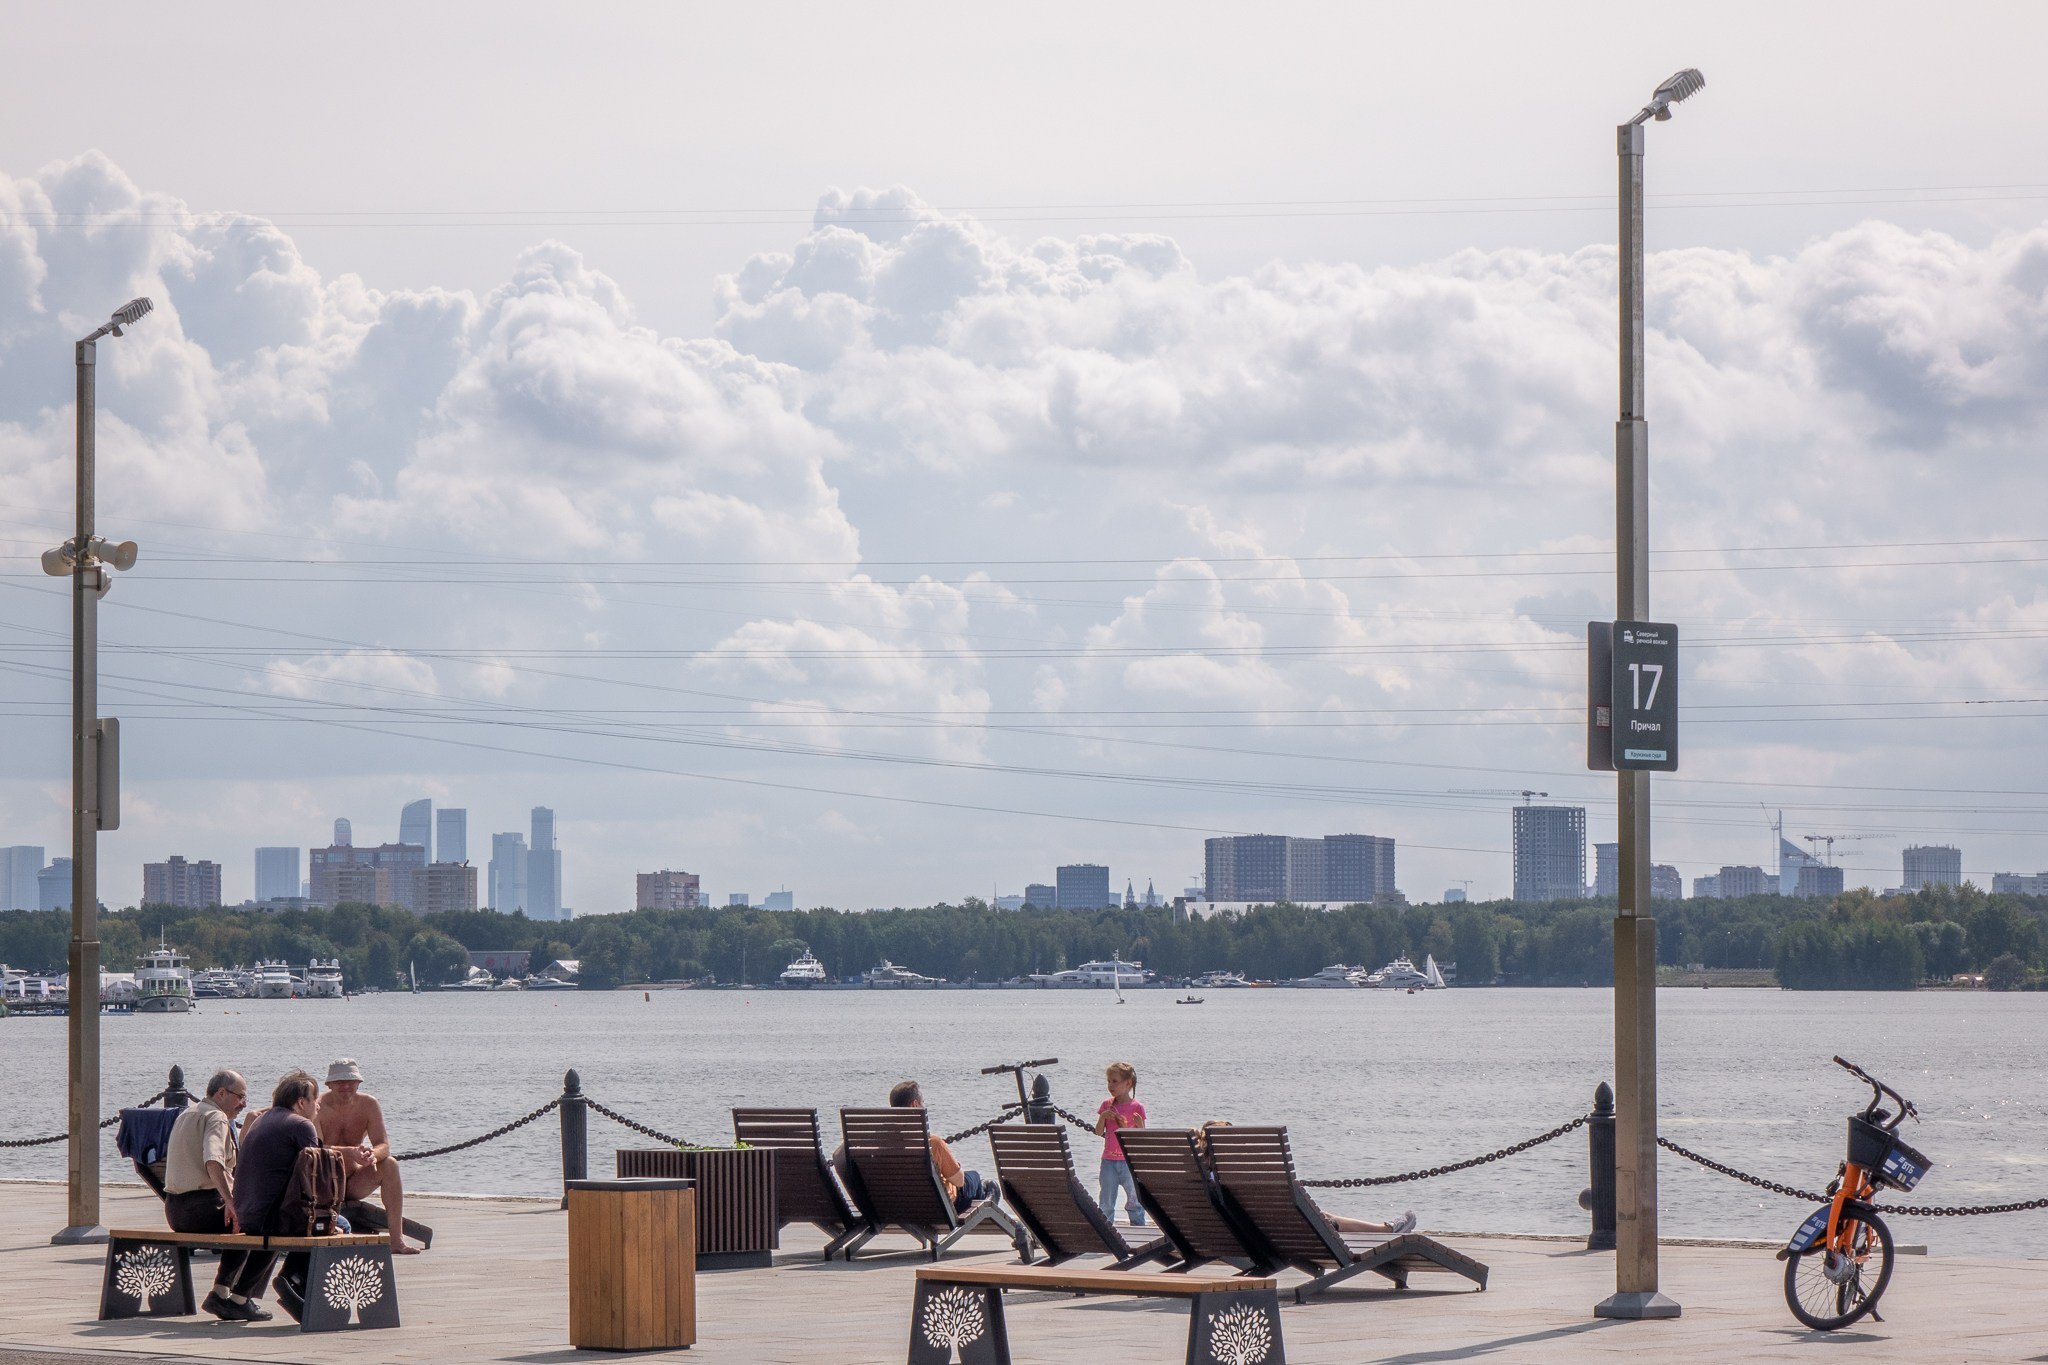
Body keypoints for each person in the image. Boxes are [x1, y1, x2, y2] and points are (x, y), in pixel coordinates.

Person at [163, 1069, 268, 1322]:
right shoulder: (216, 1117)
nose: (243, 1104)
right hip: (201, 1208)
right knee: (265, 1226)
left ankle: (221, 1293)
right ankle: (239, 1298)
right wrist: (231, 1202)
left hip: (174, 1210)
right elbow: (213, 1161)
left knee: (244, 1220)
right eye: (240, 1097)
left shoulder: (187, 1113)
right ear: (221, 1093)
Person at [1196, 1120, 1416, 1239]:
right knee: (1325, 1219)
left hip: (1227, 1236)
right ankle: (1385, 1230)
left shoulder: (1203, 1178)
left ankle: (1386, 1229)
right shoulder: (1240, 1175)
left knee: (1324, 1216)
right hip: (1278, 1237)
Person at [229, 1070, 325, 1316]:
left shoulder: (261, 1119)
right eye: (316, 1100)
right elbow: (316, 1174)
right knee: (334, 1225)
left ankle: (239, 1297)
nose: (319, 1106)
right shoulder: (302, 1125)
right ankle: (291, 1280)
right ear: (302, 1102)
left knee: (280, 1227)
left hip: (249, 1213)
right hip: (269, 1218)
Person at [318, 1058, 419, 1253]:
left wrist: (372, 1154)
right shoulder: (318, 1105)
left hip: (354, 1181)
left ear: (358, 1083)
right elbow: (316, 1148)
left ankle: (396, 1240)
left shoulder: (369, 1104)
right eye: (339, 1082)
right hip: (324, 1183)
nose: (346, 1086)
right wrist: (348, 1151)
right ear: (329, 1084)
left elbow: (383, 1145)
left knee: (390, 1164)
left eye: (351, 1081)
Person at [889, 1079, 993, 1213]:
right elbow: (959, 1181)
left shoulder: (878, 1146)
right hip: (938, 1207)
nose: (924, 1106)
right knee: (976, 1179)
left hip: (899, 1206)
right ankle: (987, 1212)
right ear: (915, 1105)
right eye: (923, 1102)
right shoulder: (933, 1143)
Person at [1094, 1061, 1146, 1226]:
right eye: (1108, 1081)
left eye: (1115, 1081)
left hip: (1128, 1161)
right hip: (1108, 1160)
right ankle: (1107, 1229)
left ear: (1128, 1083)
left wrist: (1140, 1127)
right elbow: (1098, 1131)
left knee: (1134, 1198)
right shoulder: (1107, 1105)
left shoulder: (1136, 1107)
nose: (1110, 1085)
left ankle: (1138, 1226)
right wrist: (1103, 1117)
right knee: (1106, 1199)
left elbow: (1138, 1138)